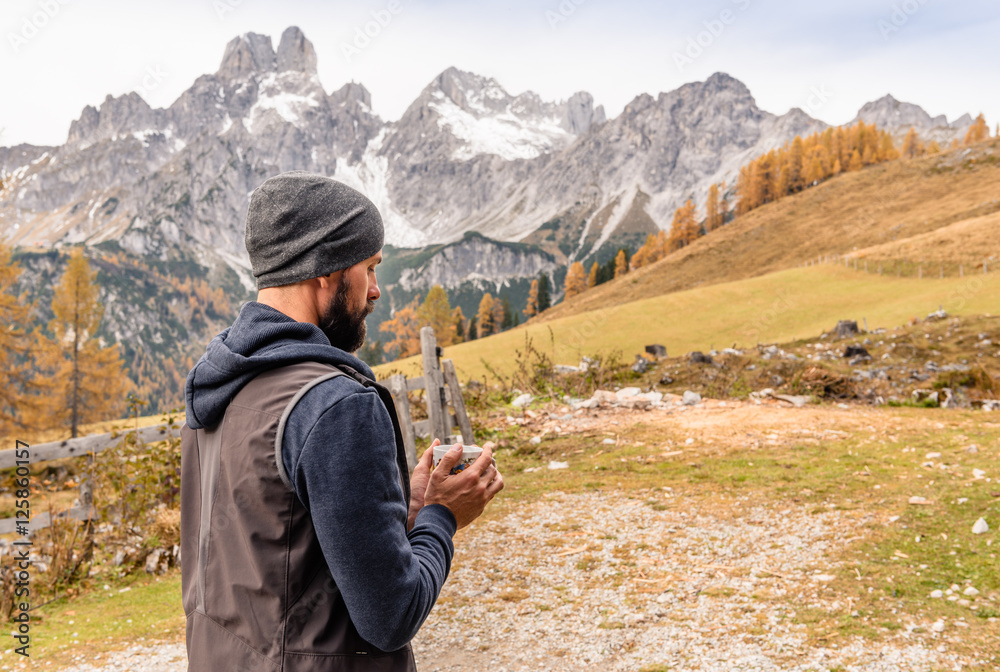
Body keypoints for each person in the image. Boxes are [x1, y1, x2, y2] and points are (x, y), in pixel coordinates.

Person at [180, 171, 503, 671]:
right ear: (326, 270)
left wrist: (408, 511)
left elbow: (275, 553)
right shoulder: (335, 404)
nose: (375, 291)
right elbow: (391, 615)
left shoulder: (219, 386)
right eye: (369, 268)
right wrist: (443, 517)